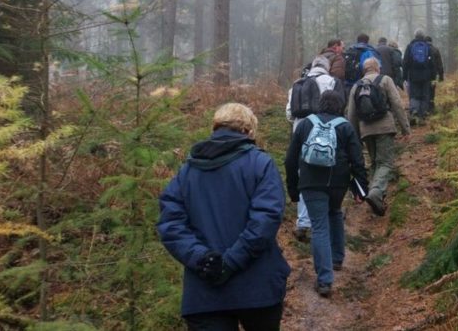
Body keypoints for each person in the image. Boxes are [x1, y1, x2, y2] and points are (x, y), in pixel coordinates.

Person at [158, 103, 290, 331]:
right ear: (249, 131)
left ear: (215, 127)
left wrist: (202, 258)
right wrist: (230, 262)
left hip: (204, 294)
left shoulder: (187, 171)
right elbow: (266, 219)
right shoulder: (260, 164)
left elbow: (171, 224)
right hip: (258, 288)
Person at [284, 90, 369, 298]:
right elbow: (358, 159)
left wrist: (293, 189)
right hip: (338, 183)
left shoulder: (305, 124)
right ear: (340, 106)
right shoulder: (345, 126)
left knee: (319, 227)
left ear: (320, 104)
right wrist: (361, 188)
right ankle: (338, 259)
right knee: (335, 212)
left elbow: (290, 159)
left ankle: (324, 281)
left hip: (311, 183)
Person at [286, 55, 345, 242]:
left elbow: (289, 113)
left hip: (300, 130)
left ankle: (303, 222)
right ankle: (325, 216)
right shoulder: (331, 81)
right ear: (327, 67)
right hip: (326, 132)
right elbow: (338, 106)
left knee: (303, 173)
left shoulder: (297, 84)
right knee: (327, 171)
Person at [346, 57, 410, 217]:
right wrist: (405, 129)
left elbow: (351, 114)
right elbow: (397, 104)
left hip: (365, 129)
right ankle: (376, 192)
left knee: (375, 163)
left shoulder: (356, 86)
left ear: (364, 70)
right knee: (386, 163)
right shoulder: (385, 80)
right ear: (377, 68)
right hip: (385, 127)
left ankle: (376, 198)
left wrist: (354, 138)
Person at [403, 29, 435, 122]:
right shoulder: (428, 47)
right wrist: (433, 76)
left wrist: (404, 76)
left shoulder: (410, 46)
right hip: (426, 75)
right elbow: (432, 63)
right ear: (423, 36)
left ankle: (414, 111)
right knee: (425, 94)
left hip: (413, 75)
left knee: (414, 94)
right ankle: (423, 113)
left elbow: (405, 62)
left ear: (415, 36)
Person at [425, 35, 444, 113]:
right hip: (433, 74)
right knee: (432, 89)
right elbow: (439, 63)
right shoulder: (435, 50)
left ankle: (425, 107)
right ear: (431, 41)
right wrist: (441, 75)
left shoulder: (424, 49)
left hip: (424, 73)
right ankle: (431, 106)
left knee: (425, 89)